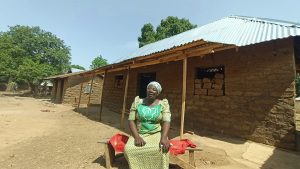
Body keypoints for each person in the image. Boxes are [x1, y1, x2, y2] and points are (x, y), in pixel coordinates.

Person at [124, 81, 171, 169]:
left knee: (162, 150)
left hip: (156, 133)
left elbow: (166, 121)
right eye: (149, 88)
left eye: (154, 89)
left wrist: (164, 137)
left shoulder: (163, 104)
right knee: (129, 149)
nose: (150, 91)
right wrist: (137, 137)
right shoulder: (137, 102)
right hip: (139, 133)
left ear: (157, 92)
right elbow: (131, 120)